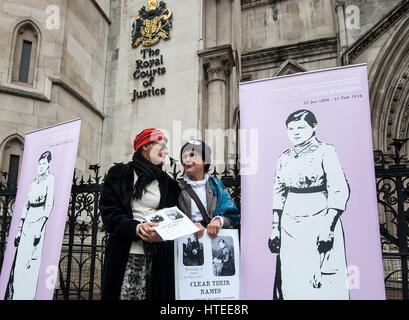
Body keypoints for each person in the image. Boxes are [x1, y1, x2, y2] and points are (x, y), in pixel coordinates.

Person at [268, 109, 350, 300]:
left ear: (314, 127)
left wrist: (328, 227)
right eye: (291, 128)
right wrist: (275, 227)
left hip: (320, 217)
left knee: (322, 276)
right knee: (291, 276)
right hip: (290, 222)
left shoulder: (326, 151)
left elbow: (338, 189)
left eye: (301, 127)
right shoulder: (284, 158)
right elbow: (278, 193)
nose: (296, 132)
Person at [99, 128, 180, 300]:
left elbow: (174, 216)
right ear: (145, 146)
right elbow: (109, 212)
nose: (165, 151)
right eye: (162, 145)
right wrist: (137, 229)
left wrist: (162, 232)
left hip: (158, 255)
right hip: (125, 253)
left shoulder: (169, 184)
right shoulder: (119, 175)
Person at [6, 151, 54, 300]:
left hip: (39, 220)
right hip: (27, 221)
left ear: (49, 165)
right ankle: (17, 293)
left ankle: (28, 294)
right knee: (21, 257)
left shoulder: (50, 179)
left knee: (32, 260)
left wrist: (40, 229)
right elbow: (26, 204)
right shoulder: (33, 181)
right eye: (39, 164)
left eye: (44, 164)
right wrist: (20, 228)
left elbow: (49, 203)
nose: (41, 167)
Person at [177, 140, 239, 239]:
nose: (187, 160)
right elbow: (169, 218)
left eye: (192, 155)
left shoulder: (216, 185)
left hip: (212, 242)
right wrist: (188, 226)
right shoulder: (175, 187)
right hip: (186, 242)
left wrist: (218, 221)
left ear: (204, 160)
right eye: (184, 157)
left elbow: (232, 214)